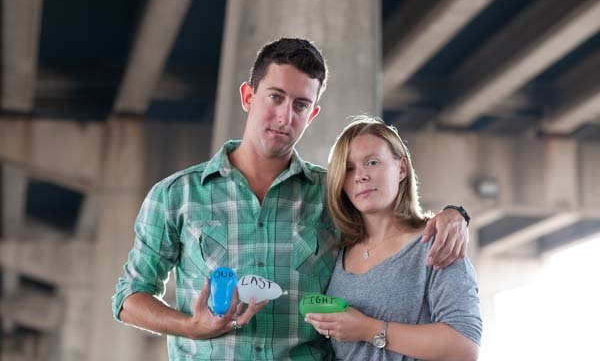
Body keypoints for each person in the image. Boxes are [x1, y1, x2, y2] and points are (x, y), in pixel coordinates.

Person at [112, 38, 471, 360]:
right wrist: (192, 326)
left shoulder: (333, 193)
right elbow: (129, 298)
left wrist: (455, 215)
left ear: (312, 114)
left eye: (301, 105)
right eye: (275, 97)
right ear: (248, 96)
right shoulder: (176, 195)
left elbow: (390, 224)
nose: (285, 116)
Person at [305, 116, 482, 360]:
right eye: (349, 168)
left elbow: (464, 346)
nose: (360, 176)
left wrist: (368, 329)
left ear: (401, 168)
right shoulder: (337, 248)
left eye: (373, 162)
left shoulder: (436, 242)